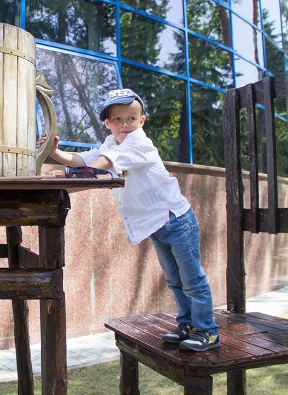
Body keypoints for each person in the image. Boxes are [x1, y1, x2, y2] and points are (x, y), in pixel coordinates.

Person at [37, 88, 219, 351]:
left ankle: (207, 330)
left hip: (176, 220)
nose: (125, 125)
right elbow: (84, 159)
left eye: (131, 119)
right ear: (107, 123)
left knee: (192, 280)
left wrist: (65, 174)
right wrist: (55, 153)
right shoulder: (111, 145)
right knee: (175, 280)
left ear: (142, 121)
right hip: (157, 225)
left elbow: (97, 165)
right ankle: (188, 324)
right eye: (118, 120)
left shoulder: (139, 143)